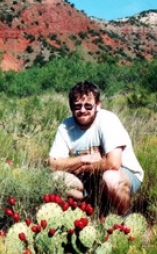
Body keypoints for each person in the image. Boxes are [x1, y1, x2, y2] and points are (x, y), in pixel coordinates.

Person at [48, 81, 143, 215]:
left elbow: (114, 163)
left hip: (124, 174)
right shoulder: (66, 126)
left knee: (110, 178)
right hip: (89, 179)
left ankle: (125, 218)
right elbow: (53, 163)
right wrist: (83, 159)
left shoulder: (107, 120)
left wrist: (81, 168)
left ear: (97, 105)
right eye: (77, 106)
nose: (82, 110)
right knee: (56, 179)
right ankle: (86, 213)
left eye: (88, 106)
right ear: (71, 107)